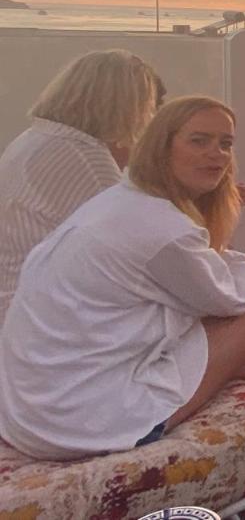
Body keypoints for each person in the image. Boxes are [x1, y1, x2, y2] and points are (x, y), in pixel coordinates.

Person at [0, 96, 245, 460]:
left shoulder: (126, 202)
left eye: (225, 144)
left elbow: (226, 266)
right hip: (87, 414)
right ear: (162, 146)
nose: (218, 154)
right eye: (198, 140)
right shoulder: (161, 228)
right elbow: (237, 293)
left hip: (39, 407)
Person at [0, 50, 163, 328]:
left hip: (20, 300)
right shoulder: (84, 158)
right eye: (146, 106)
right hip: (44, 319)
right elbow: (145, 253)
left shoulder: (37, 138)